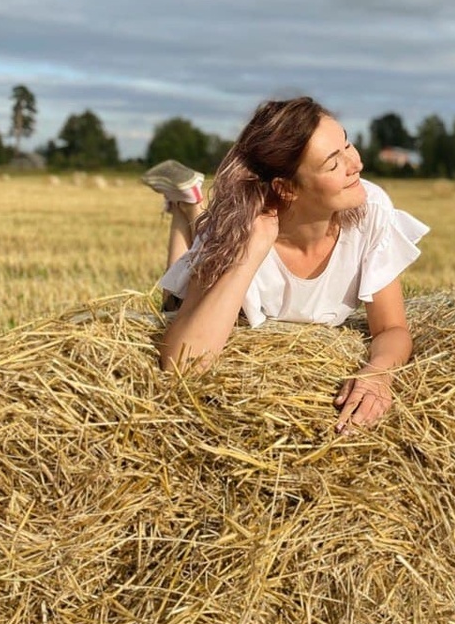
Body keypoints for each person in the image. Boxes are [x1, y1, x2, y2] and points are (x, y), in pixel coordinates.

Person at [141, 96, 429, 435]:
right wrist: (251, 251)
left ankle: (189, 205)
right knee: (173, 297)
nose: (356, 164)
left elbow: (391, 329)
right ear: (286, 188)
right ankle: (187, 207)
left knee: (194, 251)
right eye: (333, 164)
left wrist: (378, 372)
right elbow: (184, 366)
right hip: (222, 277)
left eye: (347, 144)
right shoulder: (239, 229)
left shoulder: (371, 212)